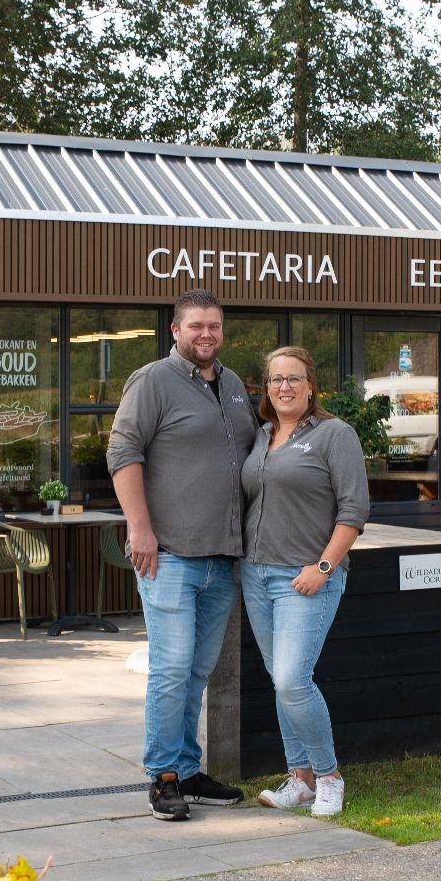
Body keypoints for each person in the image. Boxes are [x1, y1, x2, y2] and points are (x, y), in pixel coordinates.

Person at [108, 290, 258, 821]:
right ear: (175, 331)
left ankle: (189, 769)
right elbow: (123, 451)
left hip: (223, 558)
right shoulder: (153, 381)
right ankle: (163, 777)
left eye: (214, 326)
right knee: (171, 669)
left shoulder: (235, 385)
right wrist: (140, 528)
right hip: (168, 554)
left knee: (197, 671)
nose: (206, 335)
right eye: (195, 326)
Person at [241, 345, 369, 817]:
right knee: (281, 682)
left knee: (294, 679)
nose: (284, 387)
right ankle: (301, 779)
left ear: (311, 385)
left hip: (305, 578)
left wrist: (323, 568)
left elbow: (354, 511)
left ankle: (330, 775)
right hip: (256, 575)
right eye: (275, 379)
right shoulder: (262, 436)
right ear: (266, 388)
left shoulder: (335, 434)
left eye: (293, 378)